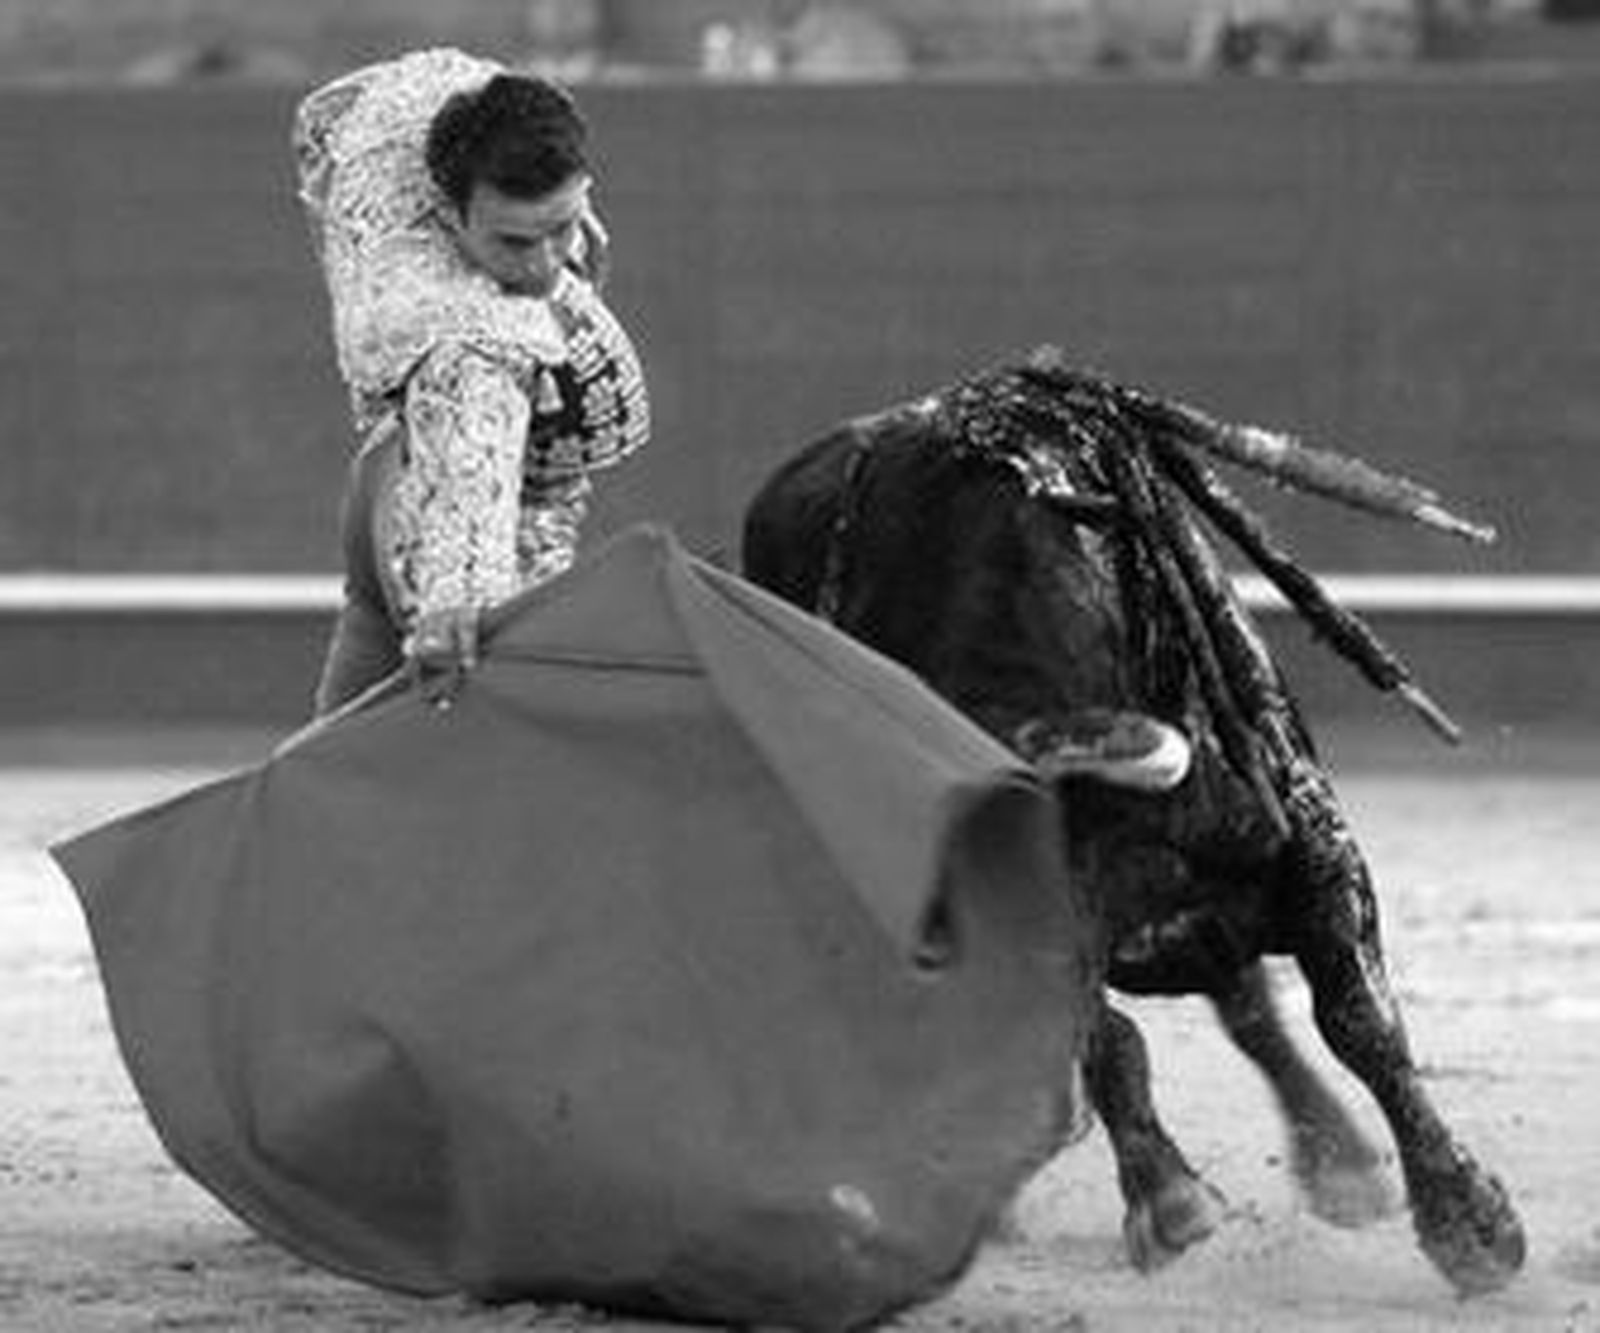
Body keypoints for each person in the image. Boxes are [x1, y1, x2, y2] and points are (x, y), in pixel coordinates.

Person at [293, 48, 650, 714]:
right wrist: (460, 602)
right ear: (449, 215)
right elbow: (471, 453)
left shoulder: (416, 142)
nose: (545, 264)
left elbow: (329, 116)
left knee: (334, 756)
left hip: (383, 480)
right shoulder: (467, 331)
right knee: (502, 741)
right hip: (444, 513)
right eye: (514, 242)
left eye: (563, 226)